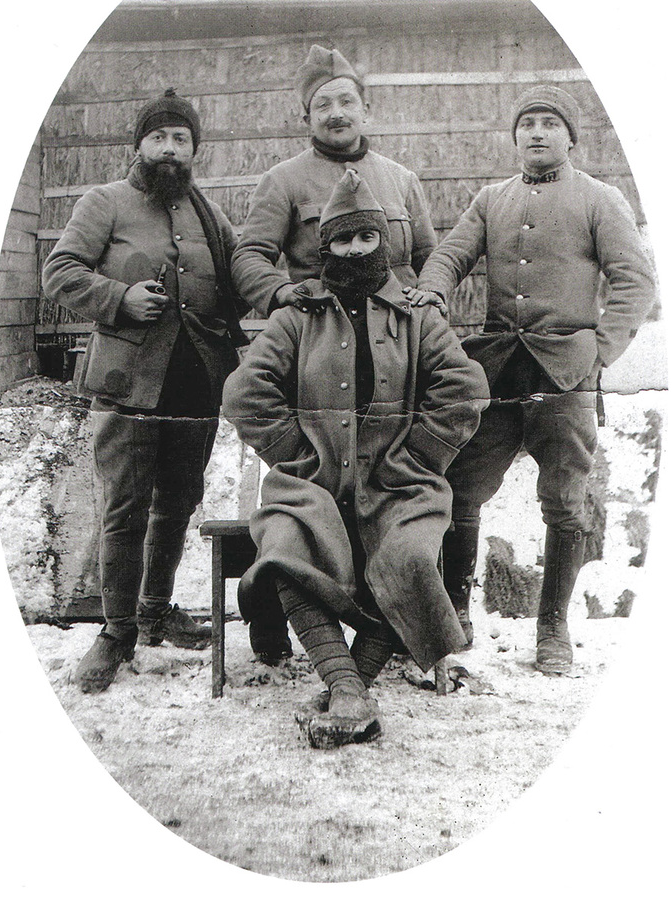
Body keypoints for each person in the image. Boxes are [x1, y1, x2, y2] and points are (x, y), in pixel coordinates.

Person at [223, 170, 489, 748]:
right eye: (342, 241)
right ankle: (348, 689)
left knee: (407, 554)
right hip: (313, 484)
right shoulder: (297, 316)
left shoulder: (418, 315)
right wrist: (298, 454)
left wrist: (416, 455)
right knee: (287, 545)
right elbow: (246, 392)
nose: (355, 250)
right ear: (326, 249)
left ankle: (351, 688)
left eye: (366, 239)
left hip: (398, 484)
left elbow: (465, 388)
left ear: (383, 242)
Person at [407, 85, 656, 674]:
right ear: (515, 137)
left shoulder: (599, 199)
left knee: (565, 500)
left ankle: (552, 630)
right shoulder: (492, 198)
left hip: (566, 373)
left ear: (571, 137)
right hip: (497, 371)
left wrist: (600, 349)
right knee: (463, 487)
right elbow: (450, 254)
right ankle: (458, 615)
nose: (538, 133)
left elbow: (635, 281)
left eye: (550, 123)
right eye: (528, 124)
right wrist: (435, 287)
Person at [43, 89, 251, 693]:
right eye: (158, 137)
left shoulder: (210, 217)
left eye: (180, 139)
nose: (169, 148)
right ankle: (117, 630)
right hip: (128, 385)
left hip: (196, 387)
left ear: (193, 150)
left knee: (178, 503)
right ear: (138, 145)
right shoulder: (105, 202)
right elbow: (61, 271)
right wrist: (119, 298)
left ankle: (157, 609)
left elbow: (244, 271)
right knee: (124, 510)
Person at [231, 44, 437, 319]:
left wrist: (431, 294)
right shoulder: (283, 180)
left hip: (400, 330)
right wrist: (280, 291)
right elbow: (249, 256)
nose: (336, 113)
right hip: (322, 328)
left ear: (365, 110)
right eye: (323, 105)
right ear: (308, 119)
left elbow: (429, 258)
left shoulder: (402, 179)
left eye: (346, 101)